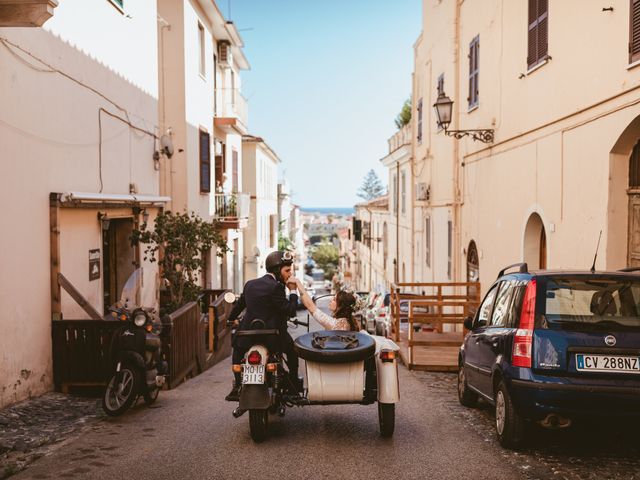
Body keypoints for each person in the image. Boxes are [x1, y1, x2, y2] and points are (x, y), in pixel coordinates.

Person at [225, 250, 300, 401]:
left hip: (248, 336)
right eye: (287, 270)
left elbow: (240, 306)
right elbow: (290, 311)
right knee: (292, 351)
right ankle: (294, 387)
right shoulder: (276, 287)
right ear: (277, 270)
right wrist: (293, 291)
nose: (289, 274)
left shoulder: (250, 284)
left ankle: (237, 384)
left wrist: (230, 319)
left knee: (238, 350)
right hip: (272, 338)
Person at [291, 277, 359, 331]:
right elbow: (312, 310)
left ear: (340, 306)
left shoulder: (337, 324)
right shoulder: (350, 320)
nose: (330, 300)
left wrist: (297, 282)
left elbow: (310, 306)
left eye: (334, 299)